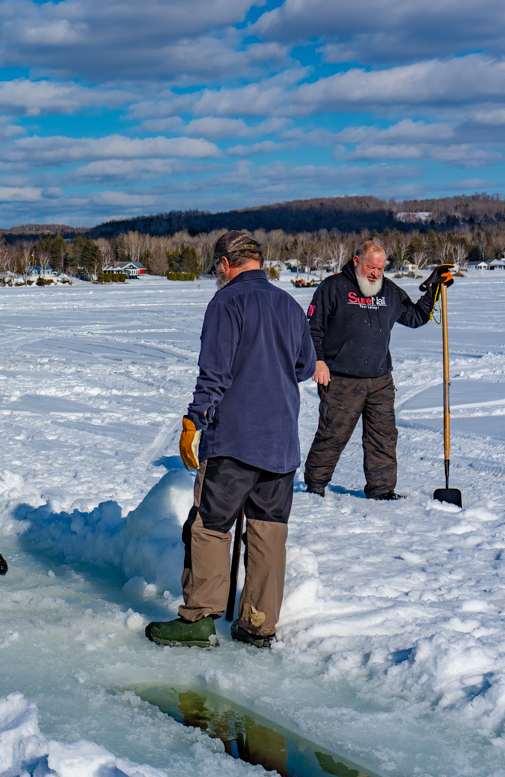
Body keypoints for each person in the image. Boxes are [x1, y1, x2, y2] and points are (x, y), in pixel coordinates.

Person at [146, 232, 315, 648]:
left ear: (225, 263)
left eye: (216, 267)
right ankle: (258, 624)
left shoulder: (227, 302)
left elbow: (215, 372)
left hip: (235, 440)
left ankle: (199, 619)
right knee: (268, 530)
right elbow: (306, 365)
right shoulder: (290, 305)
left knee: (210, 525)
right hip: (281, 444)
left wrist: (194, 420)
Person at [303, 241, 453, 499]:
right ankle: (315, 485)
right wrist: (318, 361)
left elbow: (415, 317)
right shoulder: (333, 287)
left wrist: (434, 288)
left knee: (383, 437)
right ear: (356, 261)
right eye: (370, 267)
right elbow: (312, 328)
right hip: (341, 378)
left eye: (380, 269)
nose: (374, 273)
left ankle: (382, 489)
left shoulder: (390, 292)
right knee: (332, 434)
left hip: (380, 378)